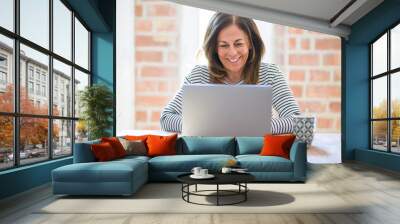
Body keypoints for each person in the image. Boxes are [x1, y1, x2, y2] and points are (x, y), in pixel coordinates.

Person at [160, 12, 300, 134]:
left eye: (238, 44)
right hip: (212, 152)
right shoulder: (199, 75)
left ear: (250, 44)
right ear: (214, 47)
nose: (232, 53)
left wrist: (257, 127)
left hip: (255, 153)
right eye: (224, 45)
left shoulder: (270, 74)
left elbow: (296, 120)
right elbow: (166, 118)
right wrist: (207, 126)